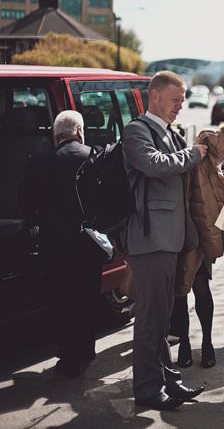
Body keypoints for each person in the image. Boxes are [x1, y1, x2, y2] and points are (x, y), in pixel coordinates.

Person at [122, 70, 207, 411]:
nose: (179, 107)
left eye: (182, 101)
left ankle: (168, 382)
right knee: (150, 317)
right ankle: (146, 388)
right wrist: (195, 154)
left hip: (170, 238)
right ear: (153, 96)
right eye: (175, 100)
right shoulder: (136, 131)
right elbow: (155, 165)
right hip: (150, 237)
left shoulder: (170, 133)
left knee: (163, 316)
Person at [18, 111, 98, 378]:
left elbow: (26, 201)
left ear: (56, 134)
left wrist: (37, 222)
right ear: (79, 131)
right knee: (87, 296)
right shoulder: (93, 156)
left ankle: (67, 356)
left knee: (62, 298)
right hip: (88, 242)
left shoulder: (40, 159)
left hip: (54, 242)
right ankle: (86, 350)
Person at [170, 125, 224, 369]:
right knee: (181, 292)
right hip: (185, 235)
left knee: (200, 289)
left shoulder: (211, 166)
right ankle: (185, 343)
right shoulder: (192, 158)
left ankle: (206, 343)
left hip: (203, 238)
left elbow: (218, 192)